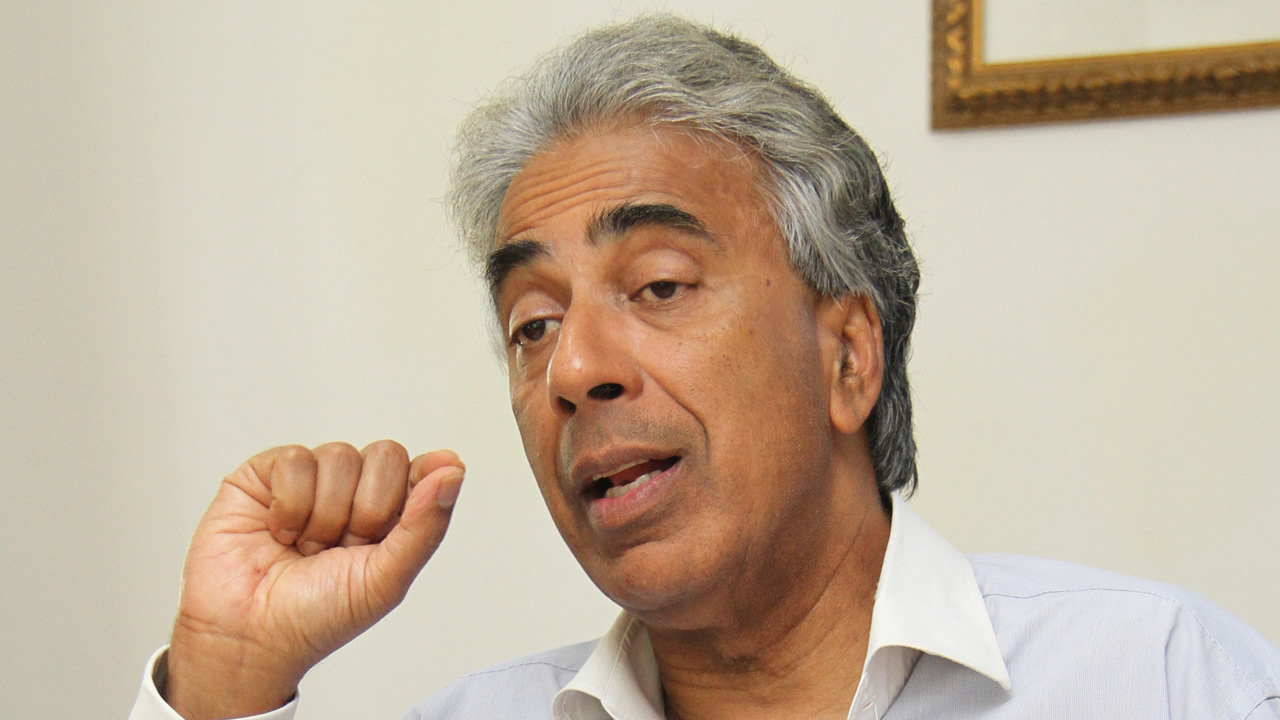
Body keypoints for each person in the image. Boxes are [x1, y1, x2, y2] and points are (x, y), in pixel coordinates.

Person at [129, 14, 1280, 720]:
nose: (574, 368)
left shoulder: (1159, 680)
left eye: (658, 286)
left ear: (847, 356)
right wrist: (225, 681)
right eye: (532, 323)